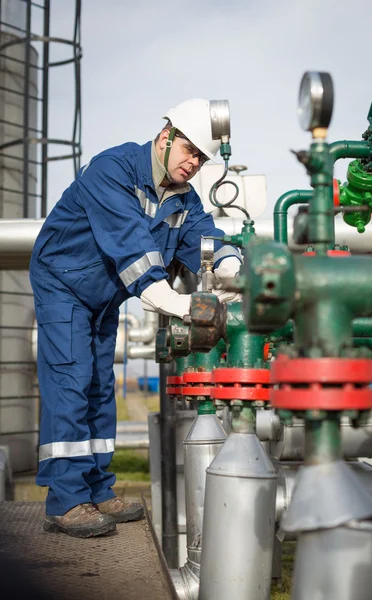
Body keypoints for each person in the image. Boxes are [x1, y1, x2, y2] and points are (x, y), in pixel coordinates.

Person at [29, 99, 242, 538]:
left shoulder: (184, 198)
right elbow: (130, 246)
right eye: (189, 150)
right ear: (166, 137)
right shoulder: (114, 171)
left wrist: (230, 264)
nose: (194, 163)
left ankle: (97, 488)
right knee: (71, 380)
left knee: (99, 387)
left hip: (103, 295)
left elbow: (204, 236)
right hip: (63, 283)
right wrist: (180, 303)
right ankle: (66, 502)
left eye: (201, 157)